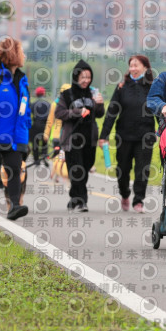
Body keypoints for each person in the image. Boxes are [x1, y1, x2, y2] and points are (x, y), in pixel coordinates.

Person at [98, 55, 155, 213]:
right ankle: (124, 193)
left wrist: (165, 131)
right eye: (131, 66)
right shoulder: (122, 87)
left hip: (145, 136)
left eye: (136, 65)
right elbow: (111, 112)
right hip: (124, 135)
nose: (133, 69)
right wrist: (103, 136)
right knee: (122, 169)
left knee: (142, 170)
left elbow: (159, 110)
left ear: (145, 67)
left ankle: (138, 201)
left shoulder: (152, 87)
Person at [0, 37, 31, 220]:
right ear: (12, 54)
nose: (24, 55)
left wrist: (25, 134)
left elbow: (26, 110)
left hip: (15, 137)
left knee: (14, 169)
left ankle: (14, 206)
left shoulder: (22, 79)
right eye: (21, 51)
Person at [55, 60, 105, 213]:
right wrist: (77, 112)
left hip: (90, 139)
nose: (86, 80)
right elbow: (59, 113)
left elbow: (100, 114)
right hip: (72, 139)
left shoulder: (93, 93)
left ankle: (74, 198)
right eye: (83, 77)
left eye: (88, 77)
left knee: (85, 167)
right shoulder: (66, 94)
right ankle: (81, 201)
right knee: (76, 170)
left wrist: (100, 104)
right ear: (76, 77)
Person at [29, 86, 50, 166]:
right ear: (44, 94)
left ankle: (36, 160)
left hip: (36, 125)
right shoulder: (48, 104)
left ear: (37, 94)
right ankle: (44, 156)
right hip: (45, 125)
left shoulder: (34, 104)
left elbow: (30, 114)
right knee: (45, 142)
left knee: (35, 143)